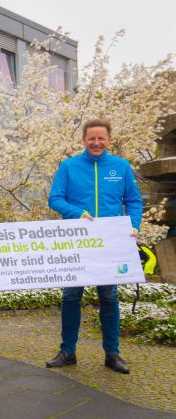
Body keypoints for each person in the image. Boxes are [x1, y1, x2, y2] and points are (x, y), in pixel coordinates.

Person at [46, 119, 141, 374]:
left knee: (109, 297)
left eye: (101, 138)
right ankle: (68, 351)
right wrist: (77, 213)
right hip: (76, 241)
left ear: (109, 140)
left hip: (109, 245)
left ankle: (112, 354)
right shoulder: (69, 166)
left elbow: (133, 201)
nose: (96, 143)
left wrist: (134, 226)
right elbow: (54, 198)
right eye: (92, 139)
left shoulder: (121, 167)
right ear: (84, 140)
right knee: (70, 297)